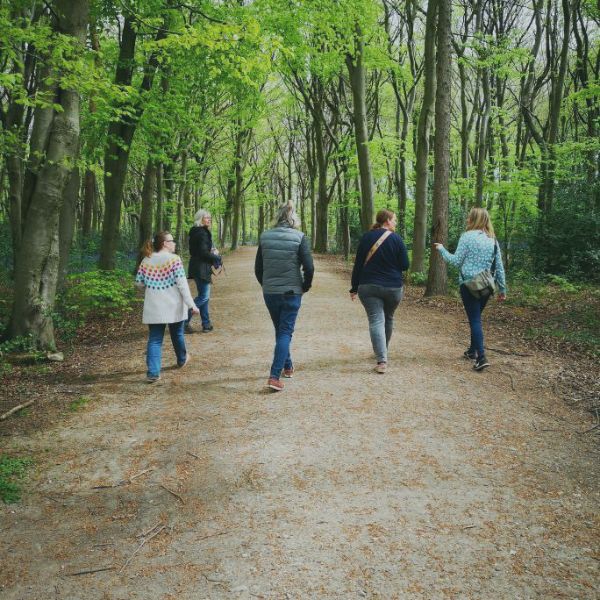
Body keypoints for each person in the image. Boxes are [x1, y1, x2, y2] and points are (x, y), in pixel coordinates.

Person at [433, 207, 507, 371]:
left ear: (474, 220)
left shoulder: (467, 237)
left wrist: (441, 249)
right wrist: (502, 290)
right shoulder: (492, 240)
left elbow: (456, 261)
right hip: (487, 284)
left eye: (469, 217)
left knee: (475, 319)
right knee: (476, 318)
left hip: (469, 285)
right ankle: (472, 351)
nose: (467, 220)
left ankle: (481, 357)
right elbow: (499, 267)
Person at [255, 202, 314, 391]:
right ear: (293, 217)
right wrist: (305, 286)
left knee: (281, 330)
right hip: (291, 292)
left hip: (271, 292)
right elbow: (309, 267)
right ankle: (274, 376)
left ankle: (287, 366)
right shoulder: (299, 237)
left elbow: (258, 269)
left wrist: (266, 285)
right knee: (285, 332)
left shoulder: (265, 237)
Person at [350, 209, 410, 374]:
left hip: (368, 286)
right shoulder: (397, 239)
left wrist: (354, 287)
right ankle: (383, 351)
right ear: (387, 221)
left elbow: (358, 264)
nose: (396, 222)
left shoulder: (366, 237)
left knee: (376, 320)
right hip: (393, 287)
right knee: (388, 317)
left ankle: (381, 358)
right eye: (394, 220)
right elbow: (405, 265)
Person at [135, 231, 199, 383]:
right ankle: (182, 359)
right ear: (165, 243)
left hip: (154, 306)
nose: (174, 243)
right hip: (173, 305)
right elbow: (182, 285)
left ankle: (153, 373)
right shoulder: (174, 260)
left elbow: (139, 283)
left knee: (155, 339)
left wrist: (152, 288)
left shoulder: (146, 260)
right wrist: (192, 305)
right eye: (172, 240)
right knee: (177, 334)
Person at [186, 209, 221, 333]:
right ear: (200, 219)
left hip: (197, 266)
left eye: (210, 218)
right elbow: (203, 252)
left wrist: (211, 252)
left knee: (204, 296)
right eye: (206, 218)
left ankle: (206, 324)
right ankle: (184, 321)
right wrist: (216, 256)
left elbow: (196, 251)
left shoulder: (195, 232)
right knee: (204, 297)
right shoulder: (202, 233)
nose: (209, 219)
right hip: (201, 268)